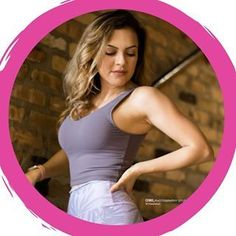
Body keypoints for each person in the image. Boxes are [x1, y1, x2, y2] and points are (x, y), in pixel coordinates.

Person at [26, 10, 214, 225]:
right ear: (94, 52)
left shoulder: (142, 97)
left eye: (131, 53)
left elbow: (201, 150)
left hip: (110, 205)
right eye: (110, 51)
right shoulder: (84, 103)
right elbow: (76, 152)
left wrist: (137, 168)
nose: (121, 62)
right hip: (77, 207)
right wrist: (39, 172)